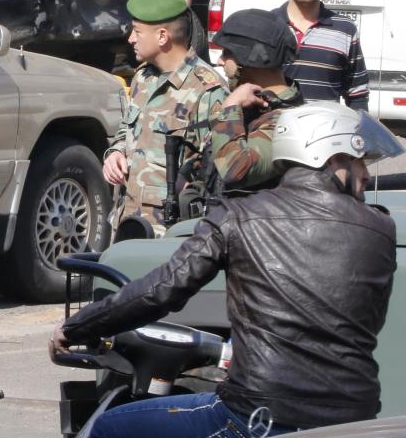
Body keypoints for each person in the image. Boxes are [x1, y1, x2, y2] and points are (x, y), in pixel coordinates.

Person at [51, 102, 400, 436]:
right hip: (354, 420)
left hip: (257, 417)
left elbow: (160, 290)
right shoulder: (381, 230)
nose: (366, 173)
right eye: (359, 161)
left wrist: (76, 327)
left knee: (109, 425)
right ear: (332, 156)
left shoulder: (238, 216)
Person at [102, 0, 227, 235]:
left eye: (137, 32)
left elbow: (214, 173)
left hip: (171, 232)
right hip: (128, 221)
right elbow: (127, 129)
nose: (130, 39)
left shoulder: (208, 90)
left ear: (162, 37)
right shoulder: (143, 77)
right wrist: (115, 153)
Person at [208, 8, 304, 192]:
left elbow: (236, 170)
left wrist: (230, 107)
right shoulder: (254, 106)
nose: (220, 61)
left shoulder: (288, 123)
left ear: (248, 60)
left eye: (227, 53)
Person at [278, 0, 368, 109]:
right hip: (273, 133)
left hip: (325, 133)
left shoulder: (345, 30)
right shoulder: (265, 26)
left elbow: (358, 97)